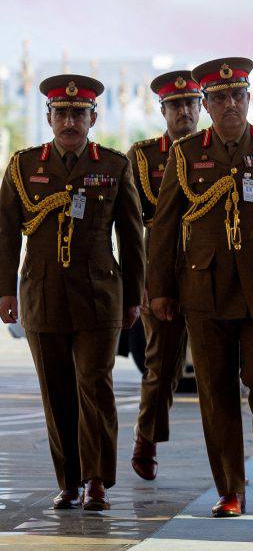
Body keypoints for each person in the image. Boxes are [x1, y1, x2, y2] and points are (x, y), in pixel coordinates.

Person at [146, 57, 253, 518]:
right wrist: (159, 289)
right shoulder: (185, 155)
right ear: (206, 105)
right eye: (218, 98)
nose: (229, 104)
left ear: (248, 98)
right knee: (214, 390)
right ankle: (230, 488)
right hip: (203, 289)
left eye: (236, 95)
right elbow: (163, 228)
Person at [0, 74, 144, 511]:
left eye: (78, 114)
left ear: (93, 118)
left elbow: (132, 237)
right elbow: (6, 234)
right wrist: (5, 292)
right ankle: (69, 481)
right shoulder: (24, 166)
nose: (69, 122)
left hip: (99, 295)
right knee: (56, 389)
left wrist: (134, 295)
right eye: (61, 113)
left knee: (94, 385)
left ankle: (97, 479)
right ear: (49, 117)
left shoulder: (114, 166)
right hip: (43, 295)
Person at [126, 70, 202, 481]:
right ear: (164, 111)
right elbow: (131, 225)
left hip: (213, 273)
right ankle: (147, 439)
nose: (184, 112)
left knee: (219, 369)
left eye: (190, 103)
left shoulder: (221, 151)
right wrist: (139, 280)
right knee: (162, 365)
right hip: (163, 274)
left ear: (201, 107)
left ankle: (231, 463)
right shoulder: (143, 157)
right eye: (175, 106)